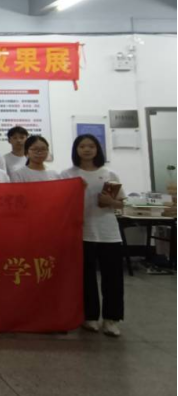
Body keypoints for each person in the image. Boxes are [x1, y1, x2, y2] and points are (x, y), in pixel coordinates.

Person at [61, 134, 126, 337]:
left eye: (91, 146)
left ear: (98, 149)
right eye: (82, 146)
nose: (87, 149)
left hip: (109, 233)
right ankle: (89, 317)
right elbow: (60, 203)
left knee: (113, 278)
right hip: (82, 233)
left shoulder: (109, 174)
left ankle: (111, 319)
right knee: (86, 277)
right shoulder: (68, 174)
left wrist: (110, 202)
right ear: (76, 150)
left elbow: (121, 203)